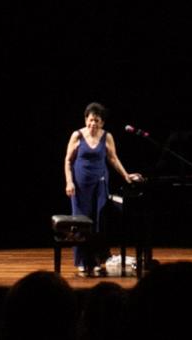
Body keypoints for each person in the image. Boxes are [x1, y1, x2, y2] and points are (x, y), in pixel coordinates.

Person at [63, 102, 142, 276]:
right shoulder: (77, 136)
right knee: (81, 223)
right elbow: (68, 161)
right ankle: (82, 262)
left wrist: (126, 175)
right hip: (80, 186)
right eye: (91, 120)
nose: (93, 124)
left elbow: (113, 159)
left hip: (100, 184)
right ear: (86, 119)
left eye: (97, 121)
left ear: (102, 123)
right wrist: (69, 182)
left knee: (99, 222)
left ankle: (96, 260)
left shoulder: (106, 136)